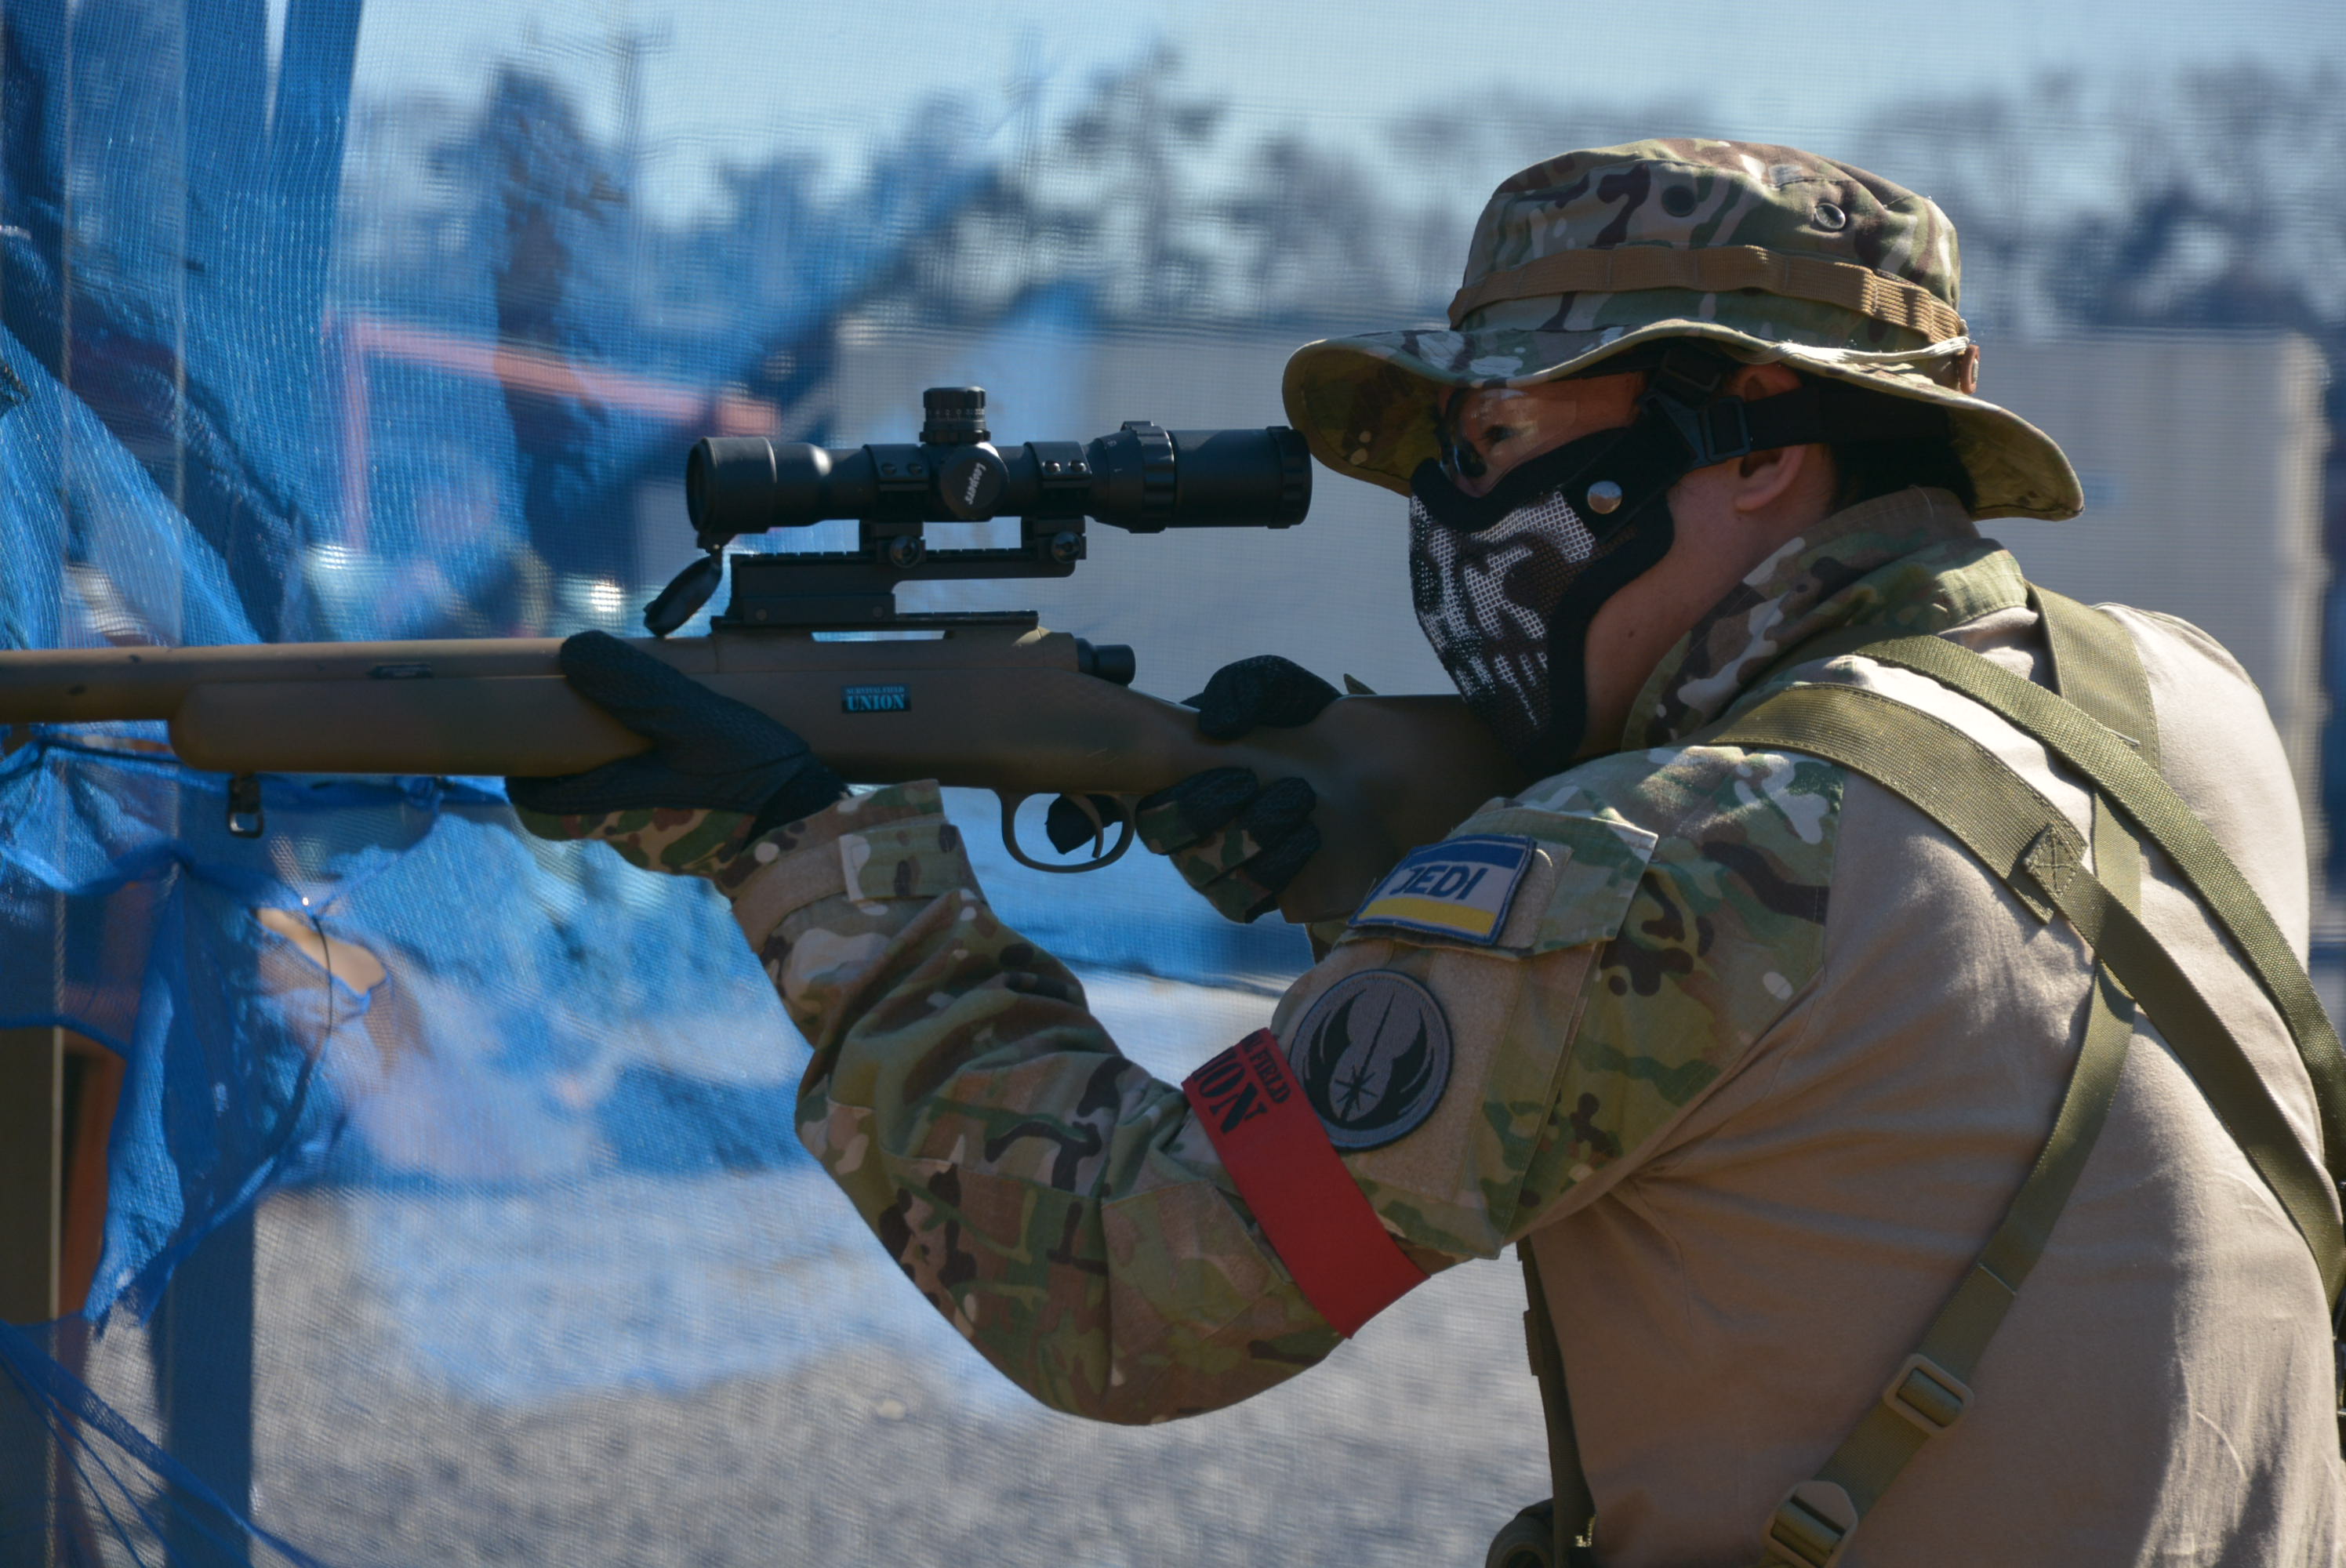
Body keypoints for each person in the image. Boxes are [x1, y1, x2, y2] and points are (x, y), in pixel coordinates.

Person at [507, 140, 2345, 1566]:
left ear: (1755, 450)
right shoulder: (2176, 699)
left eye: (1501, 432)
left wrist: (822, 865)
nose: (1457, 508)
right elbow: (1854, 1031)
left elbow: (1117, 1290)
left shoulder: (1647, 865)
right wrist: (1362, 859)